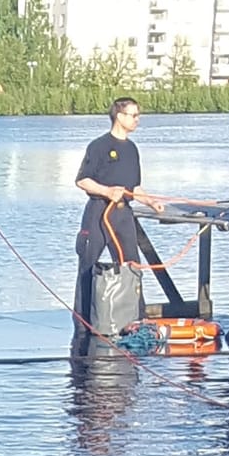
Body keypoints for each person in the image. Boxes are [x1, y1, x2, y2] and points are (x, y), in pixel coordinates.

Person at [72, 98, 163, 331]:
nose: (137, 120)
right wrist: (106, 191)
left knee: (132, 265)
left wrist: (151, 202)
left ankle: (136, 319)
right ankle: (83, 324)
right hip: (99, 212)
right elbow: (82, 180)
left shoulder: (132, 149)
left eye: (138, 115)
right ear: (119, 116)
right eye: (133, 115)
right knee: (88, 265)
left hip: (123, 215)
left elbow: (135, 188)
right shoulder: (99, 146)